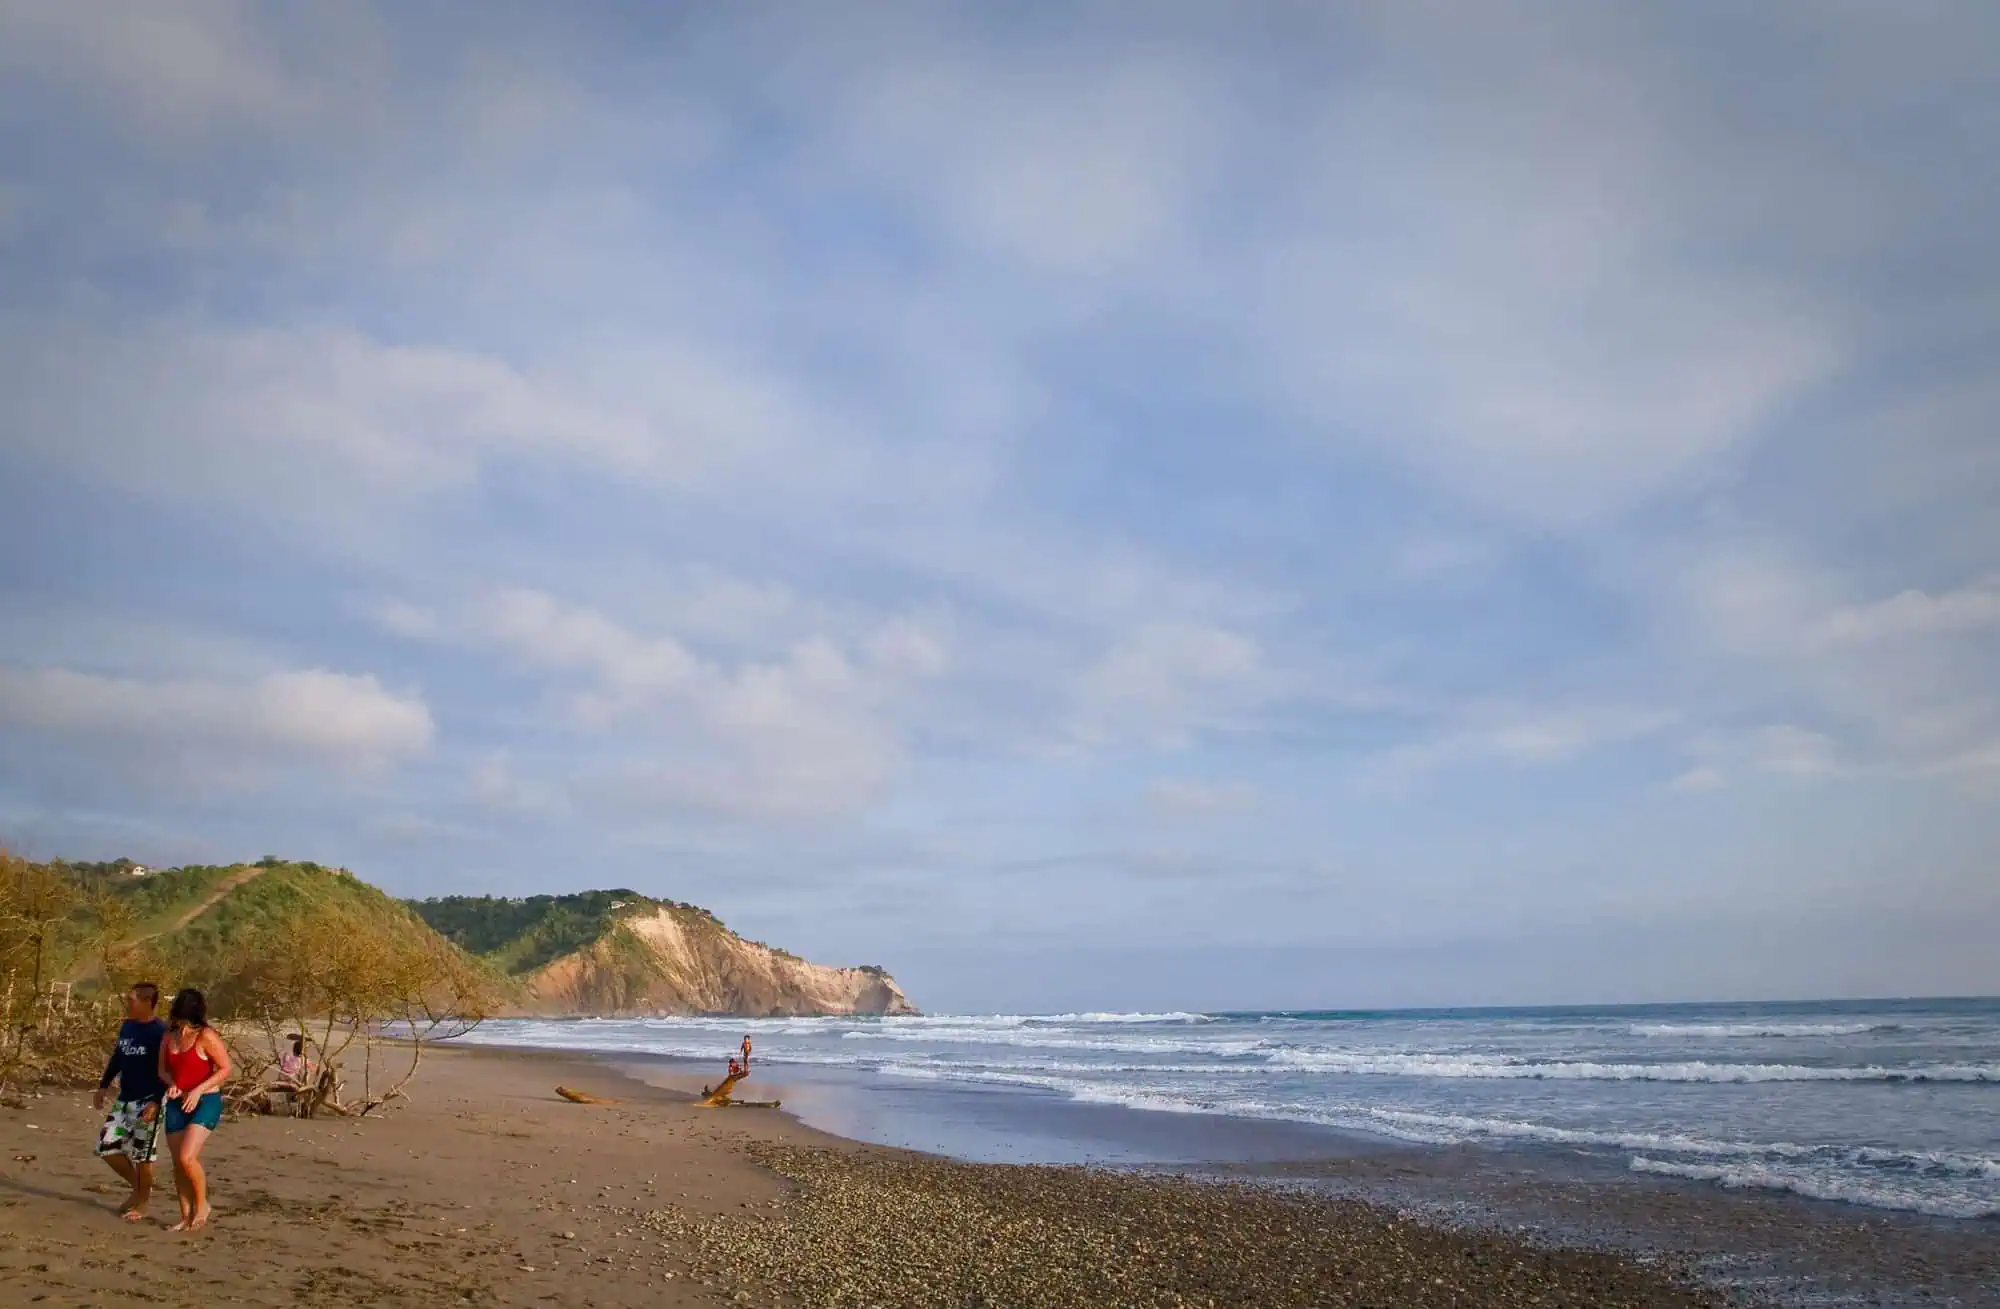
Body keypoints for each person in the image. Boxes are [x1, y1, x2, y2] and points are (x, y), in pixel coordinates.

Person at [92, 982, 166, 1222]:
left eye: (131, 1000)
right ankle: (139, 1188)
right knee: (106, 1146)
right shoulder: (128, 1026)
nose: (128, 1004)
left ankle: (142, 1202)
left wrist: (156, 1101)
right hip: (124, 1100)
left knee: (143, 1156)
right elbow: (118, 1058)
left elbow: (167, 1071)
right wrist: (103, 1086)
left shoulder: (160, 1032)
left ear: (147, 1002)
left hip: (148, 1102)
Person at [158, 987, 231, 1231]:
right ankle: (185, 1215)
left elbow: (225, 1068)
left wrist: (199, 1089)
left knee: (187, 1158)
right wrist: (173, 1085)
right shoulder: (169, 1037)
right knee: (178, 1164)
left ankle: (202, 1206)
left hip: (205, 1101)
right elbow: (163, 1070)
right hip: (178, 1103)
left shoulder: (206, 1036)